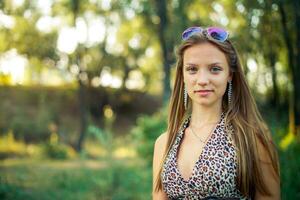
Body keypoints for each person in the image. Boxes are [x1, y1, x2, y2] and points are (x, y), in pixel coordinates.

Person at [152, 26, 280, 199]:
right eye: (192, 69)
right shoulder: (164, 143)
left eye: (215, 69)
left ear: (230, 75)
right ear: (182, 75)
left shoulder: (251, 138)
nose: (203, 80)